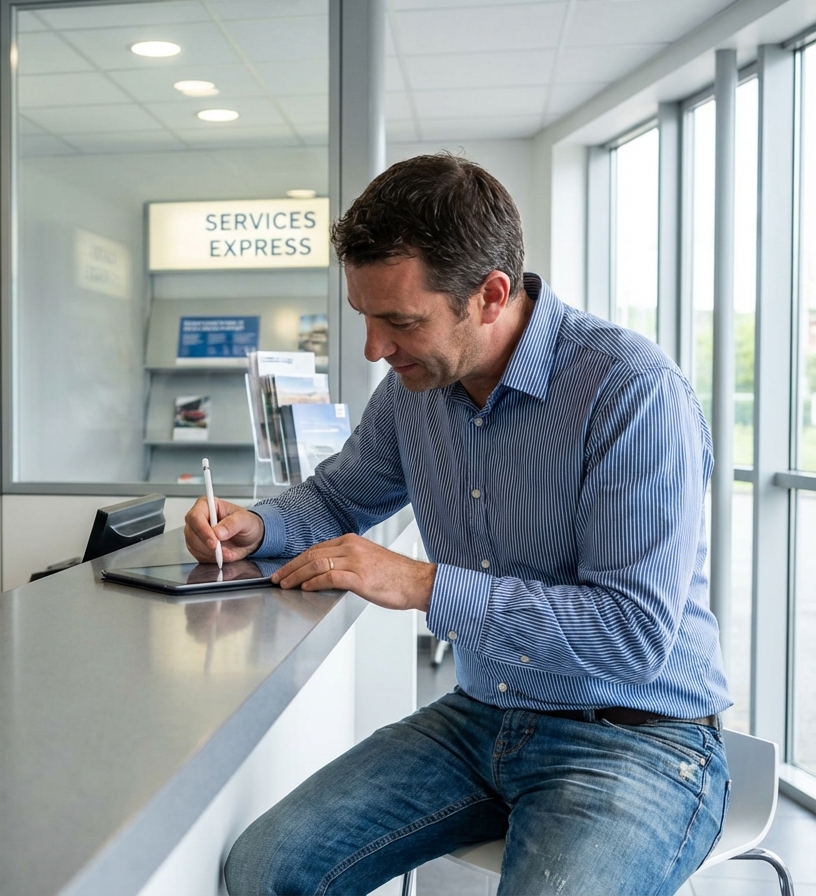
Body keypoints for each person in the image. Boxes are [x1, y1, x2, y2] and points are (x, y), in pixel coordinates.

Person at [184, 155, 730, 895]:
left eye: (401, 321)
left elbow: (630, 632)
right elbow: (339, 500)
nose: (376, 348)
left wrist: (421, 584)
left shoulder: (630, 391)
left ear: (490, 295)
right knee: (266, 869)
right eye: (366, 318)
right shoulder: (416, 386)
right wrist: (256, 523)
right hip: (483, 718)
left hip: (637, 741)